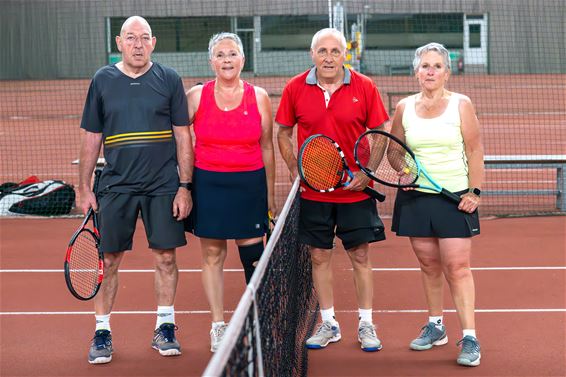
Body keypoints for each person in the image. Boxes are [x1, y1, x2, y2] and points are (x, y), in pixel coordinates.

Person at [78, 16, 193, 364]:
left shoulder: (169, 79)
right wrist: (84, 187)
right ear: (119, 43)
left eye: (144, 38)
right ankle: (101, 332)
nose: (138, 45)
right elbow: (91, 138)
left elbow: (183, 135)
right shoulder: (102, 80)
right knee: (109, 260)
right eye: (131, 38)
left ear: (153, 43)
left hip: (163, 185)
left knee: (166, 258)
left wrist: (184, 186)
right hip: (116, 186)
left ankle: (165, 327)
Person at [276, 28, 388, 352]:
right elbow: (282, 133)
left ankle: (366, 324)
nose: (328, 57)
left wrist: (368, 173)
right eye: (322, 51)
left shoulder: (364, 86)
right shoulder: (294, 87)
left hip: (355, 191)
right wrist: (296, 166)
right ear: (313, 55)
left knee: (360, 255)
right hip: (314, 192)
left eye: (335, 51)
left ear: (344, 55)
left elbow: (380, 132)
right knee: (319, 255)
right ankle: (329, 323)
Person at [389, 42, 484, 367]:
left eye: (436, 66)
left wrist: (474, 192)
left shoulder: (461, 104)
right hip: (416, 198)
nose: (430, 71)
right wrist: (404, 171)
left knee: (457, 268)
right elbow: (393, 150)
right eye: (425, 66)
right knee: (429, 266)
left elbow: (474, 150)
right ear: (416, 71)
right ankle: (436, 326)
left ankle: (470, 337)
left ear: (447, 72)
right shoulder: (403, 107)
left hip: (455, 198)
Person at [185, 32, 276, 353]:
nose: (227, 60)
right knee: (212, 256)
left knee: (253, 257)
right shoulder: (196, 97)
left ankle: (258, 320)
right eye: (221, 55)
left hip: (249, 185)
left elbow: (267, 147)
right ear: (211, 61)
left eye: (232, 54)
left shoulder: (260, 96)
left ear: (243, 60)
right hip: (209, 183)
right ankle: (218, 325)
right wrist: (183, 185)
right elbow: (180, 139)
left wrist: (269, 196)